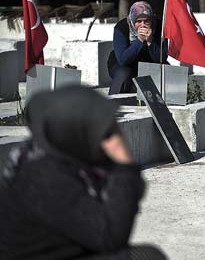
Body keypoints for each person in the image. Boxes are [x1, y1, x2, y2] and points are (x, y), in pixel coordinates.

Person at [0, 86, 166, 259]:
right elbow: (111, 236)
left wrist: (124, 174)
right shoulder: (43, 176)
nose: (115, 136)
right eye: (104, 132)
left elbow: (133, 192)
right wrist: (124, 163)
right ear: (74, 130)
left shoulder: (57, 150)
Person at [107, 1, 167, 95]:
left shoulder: (159, 27)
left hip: (148, 61)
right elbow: (123, 59)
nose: (142, 25)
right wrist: (139, 41)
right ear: (132, 20)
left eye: (146, 21)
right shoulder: (121, 28)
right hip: (124, 63)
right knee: (123, 74)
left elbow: (161, 58)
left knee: (166, 72)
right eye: (139, 21)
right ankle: (114, 104)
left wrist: (150, 41)